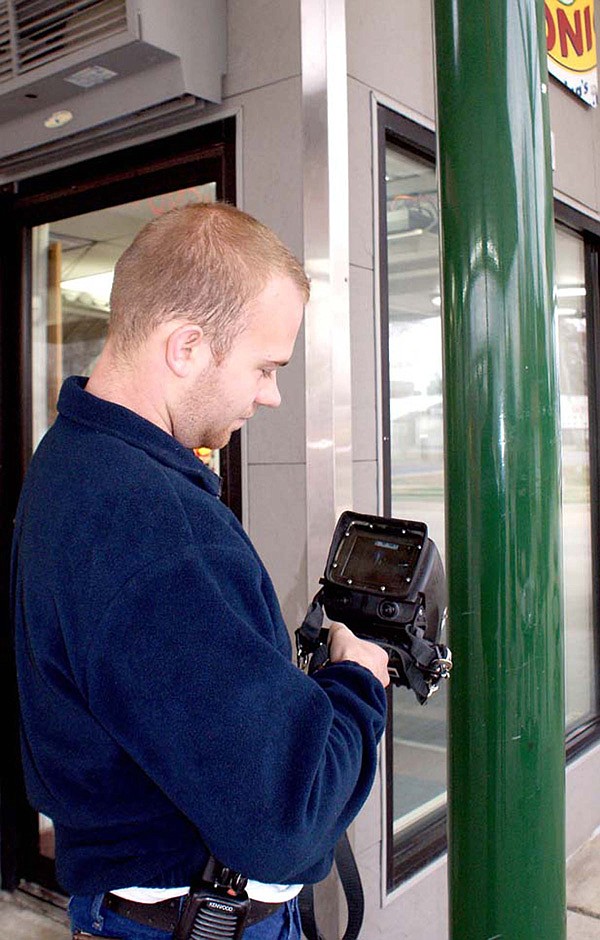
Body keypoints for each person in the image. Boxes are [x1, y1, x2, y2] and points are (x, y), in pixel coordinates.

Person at [11, 202, 389, 940]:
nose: (271, 393)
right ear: (186, 346)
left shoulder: (72, 457)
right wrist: (358, 682)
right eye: (265, 366)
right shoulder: (159, 530)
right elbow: (288, 819)